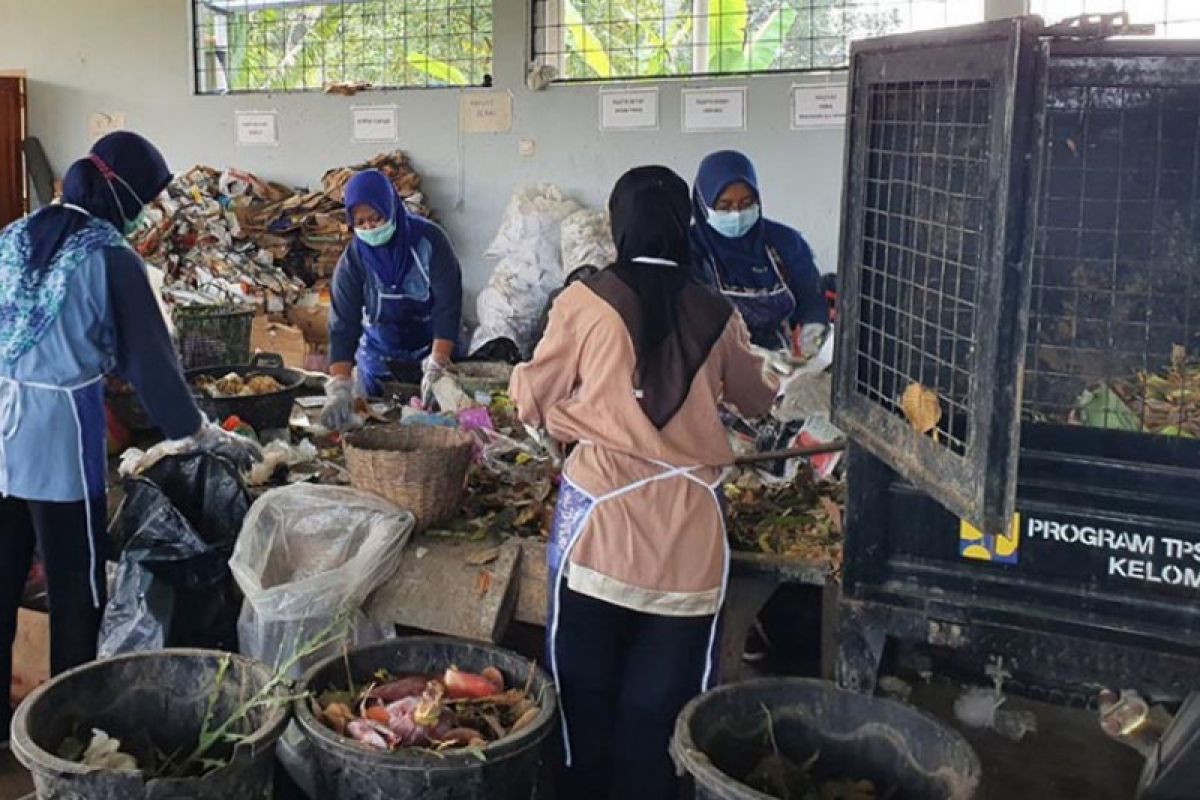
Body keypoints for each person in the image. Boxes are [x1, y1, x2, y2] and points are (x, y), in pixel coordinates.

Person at [509, 166, 777, 800]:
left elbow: (530, 396)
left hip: (599, 539)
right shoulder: (718, 312)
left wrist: (556, 398)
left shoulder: (584, 301)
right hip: (688, 551)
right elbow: (759, 397)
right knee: (659, 719)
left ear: (618, 223)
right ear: (686, 224)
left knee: (582, 702)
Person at [0, 132, 251, 741]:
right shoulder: (108, 255)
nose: (147, 212)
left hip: (1, 428)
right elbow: (151, 363)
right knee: (75, 590)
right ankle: (66, 734)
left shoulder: (14, 236)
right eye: (148, 198)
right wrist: (199, 433)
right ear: (125, 193)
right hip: (58, 440)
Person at [321, 170, 463, 428]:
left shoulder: (430, 242)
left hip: (431, 349)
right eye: (360, 223)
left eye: (376, 218)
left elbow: (448, 308)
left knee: (438, 425)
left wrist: (437, 366)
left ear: (391, 208)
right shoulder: (353, 261)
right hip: (379, 360)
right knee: (380, 424)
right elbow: (343, 326)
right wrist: (340, 386)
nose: (369, 228)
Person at [691, 149, 830, 358]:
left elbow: (810, 297)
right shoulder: (691, 249)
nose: (737, 214)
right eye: (724, 206)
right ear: (703, 205)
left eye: (747, 203)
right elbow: (689, 324)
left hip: (782, 360)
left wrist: (813, 332)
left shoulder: (785, 242)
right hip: (713, 363)